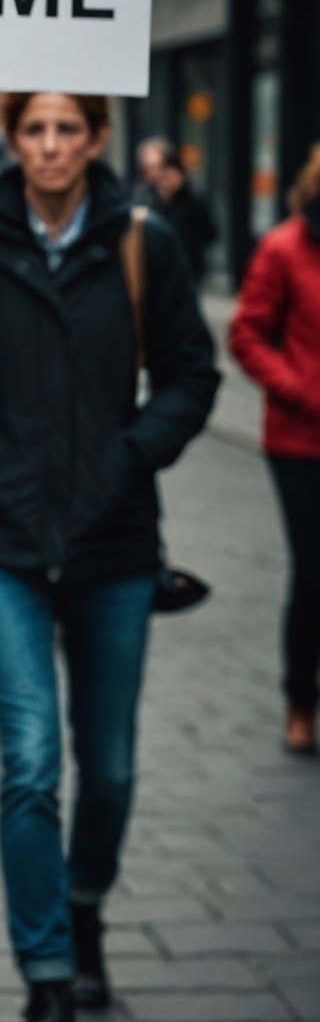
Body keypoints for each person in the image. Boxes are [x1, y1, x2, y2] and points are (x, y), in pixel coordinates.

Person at [0, 92, 218, 1022]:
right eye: (32, 130)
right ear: (13, 140)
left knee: (107, 768)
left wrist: (131, 454)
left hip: (112, 541)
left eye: (67, 130)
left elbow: (194, 377)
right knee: (31, 760)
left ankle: (83, 906)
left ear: (97, 141)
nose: (48, 148)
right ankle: (45, 981)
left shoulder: (140, 245)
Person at [230, 143, 320, 755]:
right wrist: (296, 389)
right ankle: (299, 700)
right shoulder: (286, 247)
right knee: (313, 572)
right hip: (301, 439)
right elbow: (246, 333)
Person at [137, 138, 218, 285]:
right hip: (152, 273)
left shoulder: (190, 198)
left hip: (186, 271)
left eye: (157, 167)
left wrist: (182, 192)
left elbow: (209, 233)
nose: (154, 174)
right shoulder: (142, 197)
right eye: (147, 168)